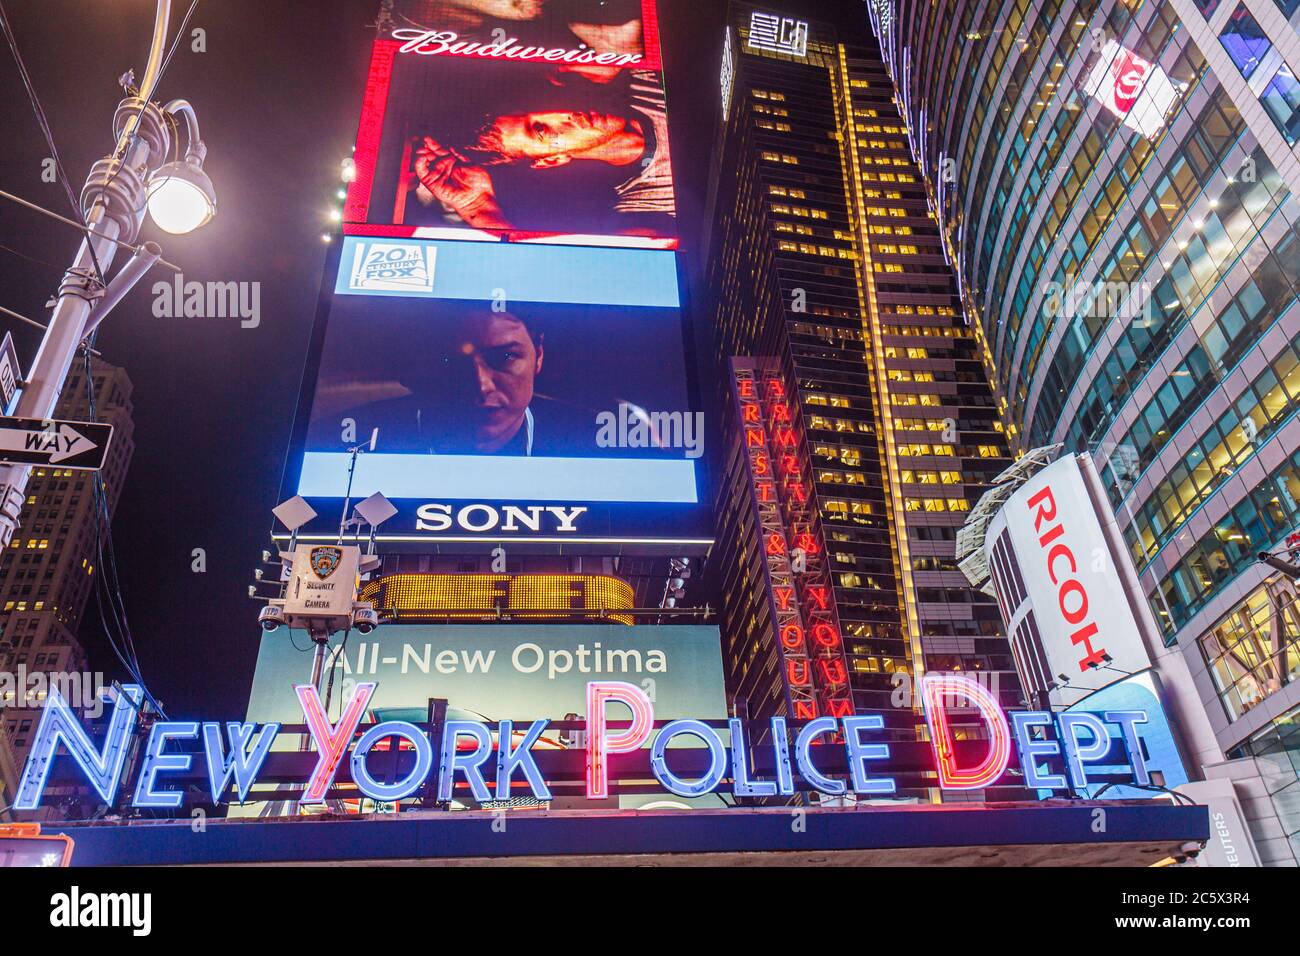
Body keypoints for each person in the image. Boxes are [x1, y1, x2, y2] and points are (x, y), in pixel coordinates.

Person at [410, 71, 675, 236]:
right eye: (541, 130)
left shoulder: (645, 73)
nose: (564, 113)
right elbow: (573, 278)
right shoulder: (646, 205)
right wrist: (479, 208)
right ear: (551, 160)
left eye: (547, 101)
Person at [343, 309, 593, 456]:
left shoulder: (586, 437)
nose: (482, 385)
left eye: (504, 357)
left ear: (538, 355)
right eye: (449, 360)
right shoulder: (344, 438)